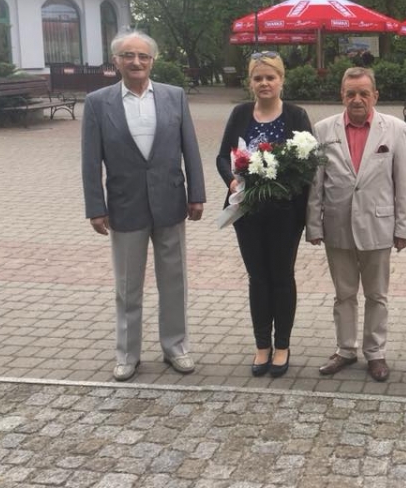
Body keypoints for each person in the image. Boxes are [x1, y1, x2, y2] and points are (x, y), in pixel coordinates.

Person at [82, 29, 205, 382]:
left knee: (174, 281)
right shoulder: (98, 102)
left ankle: (176, 347)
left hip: (170, 201)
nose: (136, 62)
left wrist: (196, 193)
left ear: (152, 60)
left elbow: (190, 147)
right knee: (127, 285)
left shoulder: (174, 96)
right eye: (128, 55)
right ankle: (127, 354)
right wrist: (95, 206)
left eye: (143, 56)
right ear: (116, 61)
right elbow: (90, 159)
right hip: (125, 205)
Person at [306, 67, 406, 382]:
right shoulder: (323, 130)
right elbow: (316, 182)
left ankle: (376, 353)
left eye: (364, 93)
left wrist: (403, 227)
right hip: (337, 225)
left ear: (375, 96)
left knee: (377, 295)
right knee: (344, 294)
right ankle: (345, 349)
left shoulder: (395, 129)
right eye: (351, 93)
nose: (357, 99)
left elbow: (404, 182)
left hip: (379, 225)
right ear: (342, 95)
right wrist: (313, 224)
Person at [216, 51, 313, 378]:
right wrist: (232, 181)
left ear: (281, 80)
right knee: (257, 277)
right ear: (251, 82)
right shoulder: (240, 113)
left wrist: (285, 182)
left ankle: (282, 345)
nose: (264, 83)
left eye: (270, 77)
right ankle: (262, 345)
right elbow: (222, 156)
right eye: (258, 78)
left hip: (285, 214)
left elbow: (309, 162)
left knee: (282, 276)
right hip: (247, 212)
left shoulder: (296, 116)